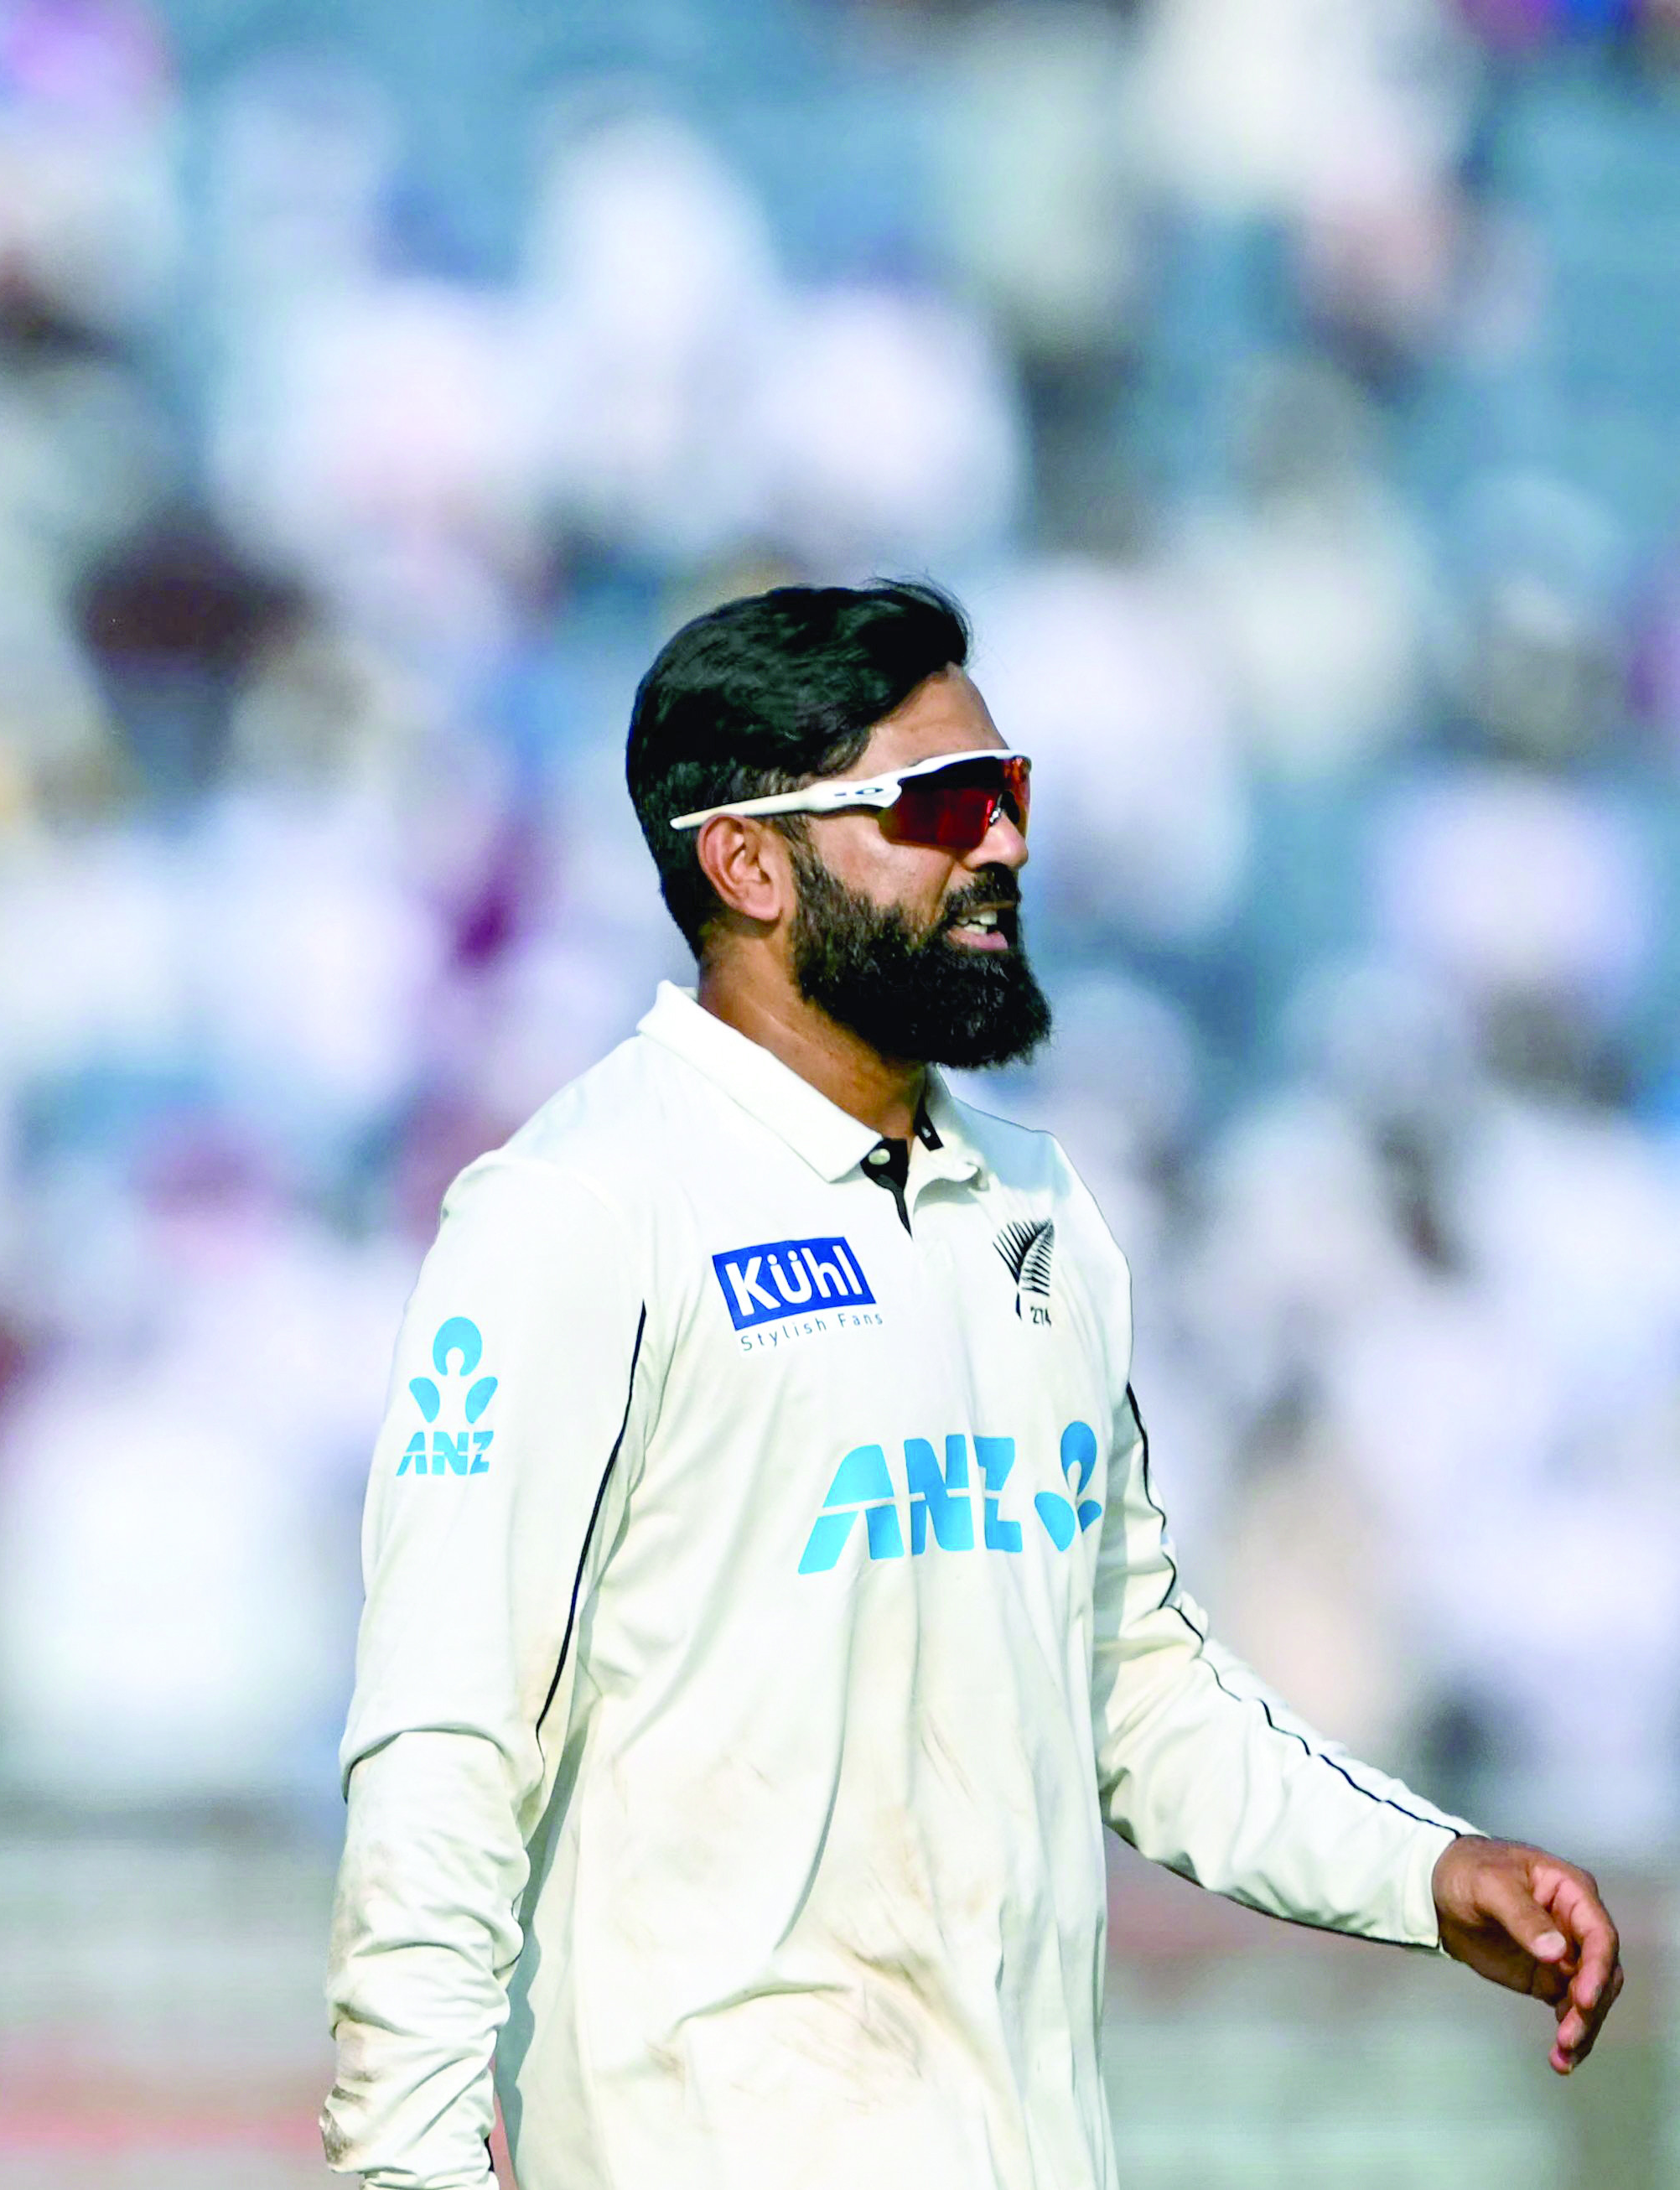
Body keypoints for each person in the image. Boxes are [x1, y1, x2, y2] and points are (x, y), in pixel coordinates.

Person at [320, 582, 1626, 2190]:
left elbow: (1132, 1684)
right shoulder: (576, 1213)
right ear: (745, 861)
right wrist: (408, 2169)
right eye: (940, 805)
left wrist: (1425, 1870)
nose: (999, 846)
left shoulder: (1037, 1211)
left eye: (1008, 796)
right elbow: (444, 1752)